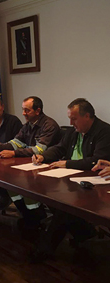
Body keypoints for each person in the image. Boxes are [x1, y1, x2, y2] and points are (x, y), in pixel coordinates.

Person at [31, 98, 110, 262]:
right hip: (69, 179)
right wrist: (42, 156)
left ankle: (45, 249)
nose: (70, 122)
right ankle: (84, 232)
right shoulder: (73, 131)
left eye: (74, 118)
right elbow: (60, 148)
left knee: (64, 207)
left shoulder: (104, 131)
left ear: (87, 116)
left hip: (92, 183)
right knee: (49, 196)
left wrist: (67, 163)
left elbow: (96, 161)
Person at [0, 96, 61, 232]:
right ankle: (30, 217)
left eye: (27, 110)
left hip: (47, 167)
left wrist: (14, 153)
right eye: (23, 110)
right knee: (11, 185)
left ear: (37, 111)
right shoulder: (28, 125)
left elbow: (39, 150)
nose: (23, 114)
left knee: (24, 186)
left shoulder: (49, 125)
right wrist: (1, 147)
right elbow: (17, 142)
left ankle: (38, 217)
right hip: (30, 165)